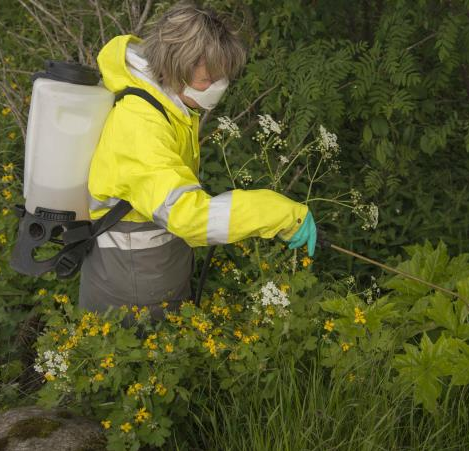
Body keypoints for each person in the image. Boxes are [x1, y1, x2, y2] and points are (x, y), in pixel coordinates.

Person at [79, 1, 316, 320]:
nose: (219, 87)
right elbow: (187, 216)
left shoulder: (166, 104)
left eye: (223, 77)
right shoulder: (141, 125)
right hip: (132, 288)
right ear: (175, 67)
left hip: (153, 270)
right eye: (210, 78)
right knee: (146, 366)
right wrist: (278, 214)